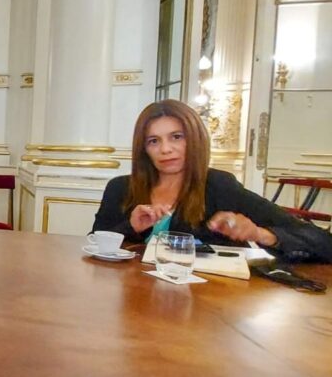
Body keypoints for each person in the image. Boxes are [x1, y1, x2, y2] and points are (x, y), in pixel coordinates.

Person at [93, 98, 332, 262]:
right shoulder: (120, 188)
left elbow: (323, 242)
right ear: (144, 148)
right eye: (154, 141)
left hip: (201, 306)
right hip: (133, 302)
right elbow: (94, 245)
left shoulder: (220, 186)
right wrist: (130, 227)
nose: (165, 149)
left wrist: (260, 234)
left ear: (194, 139)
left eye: (176, 137)